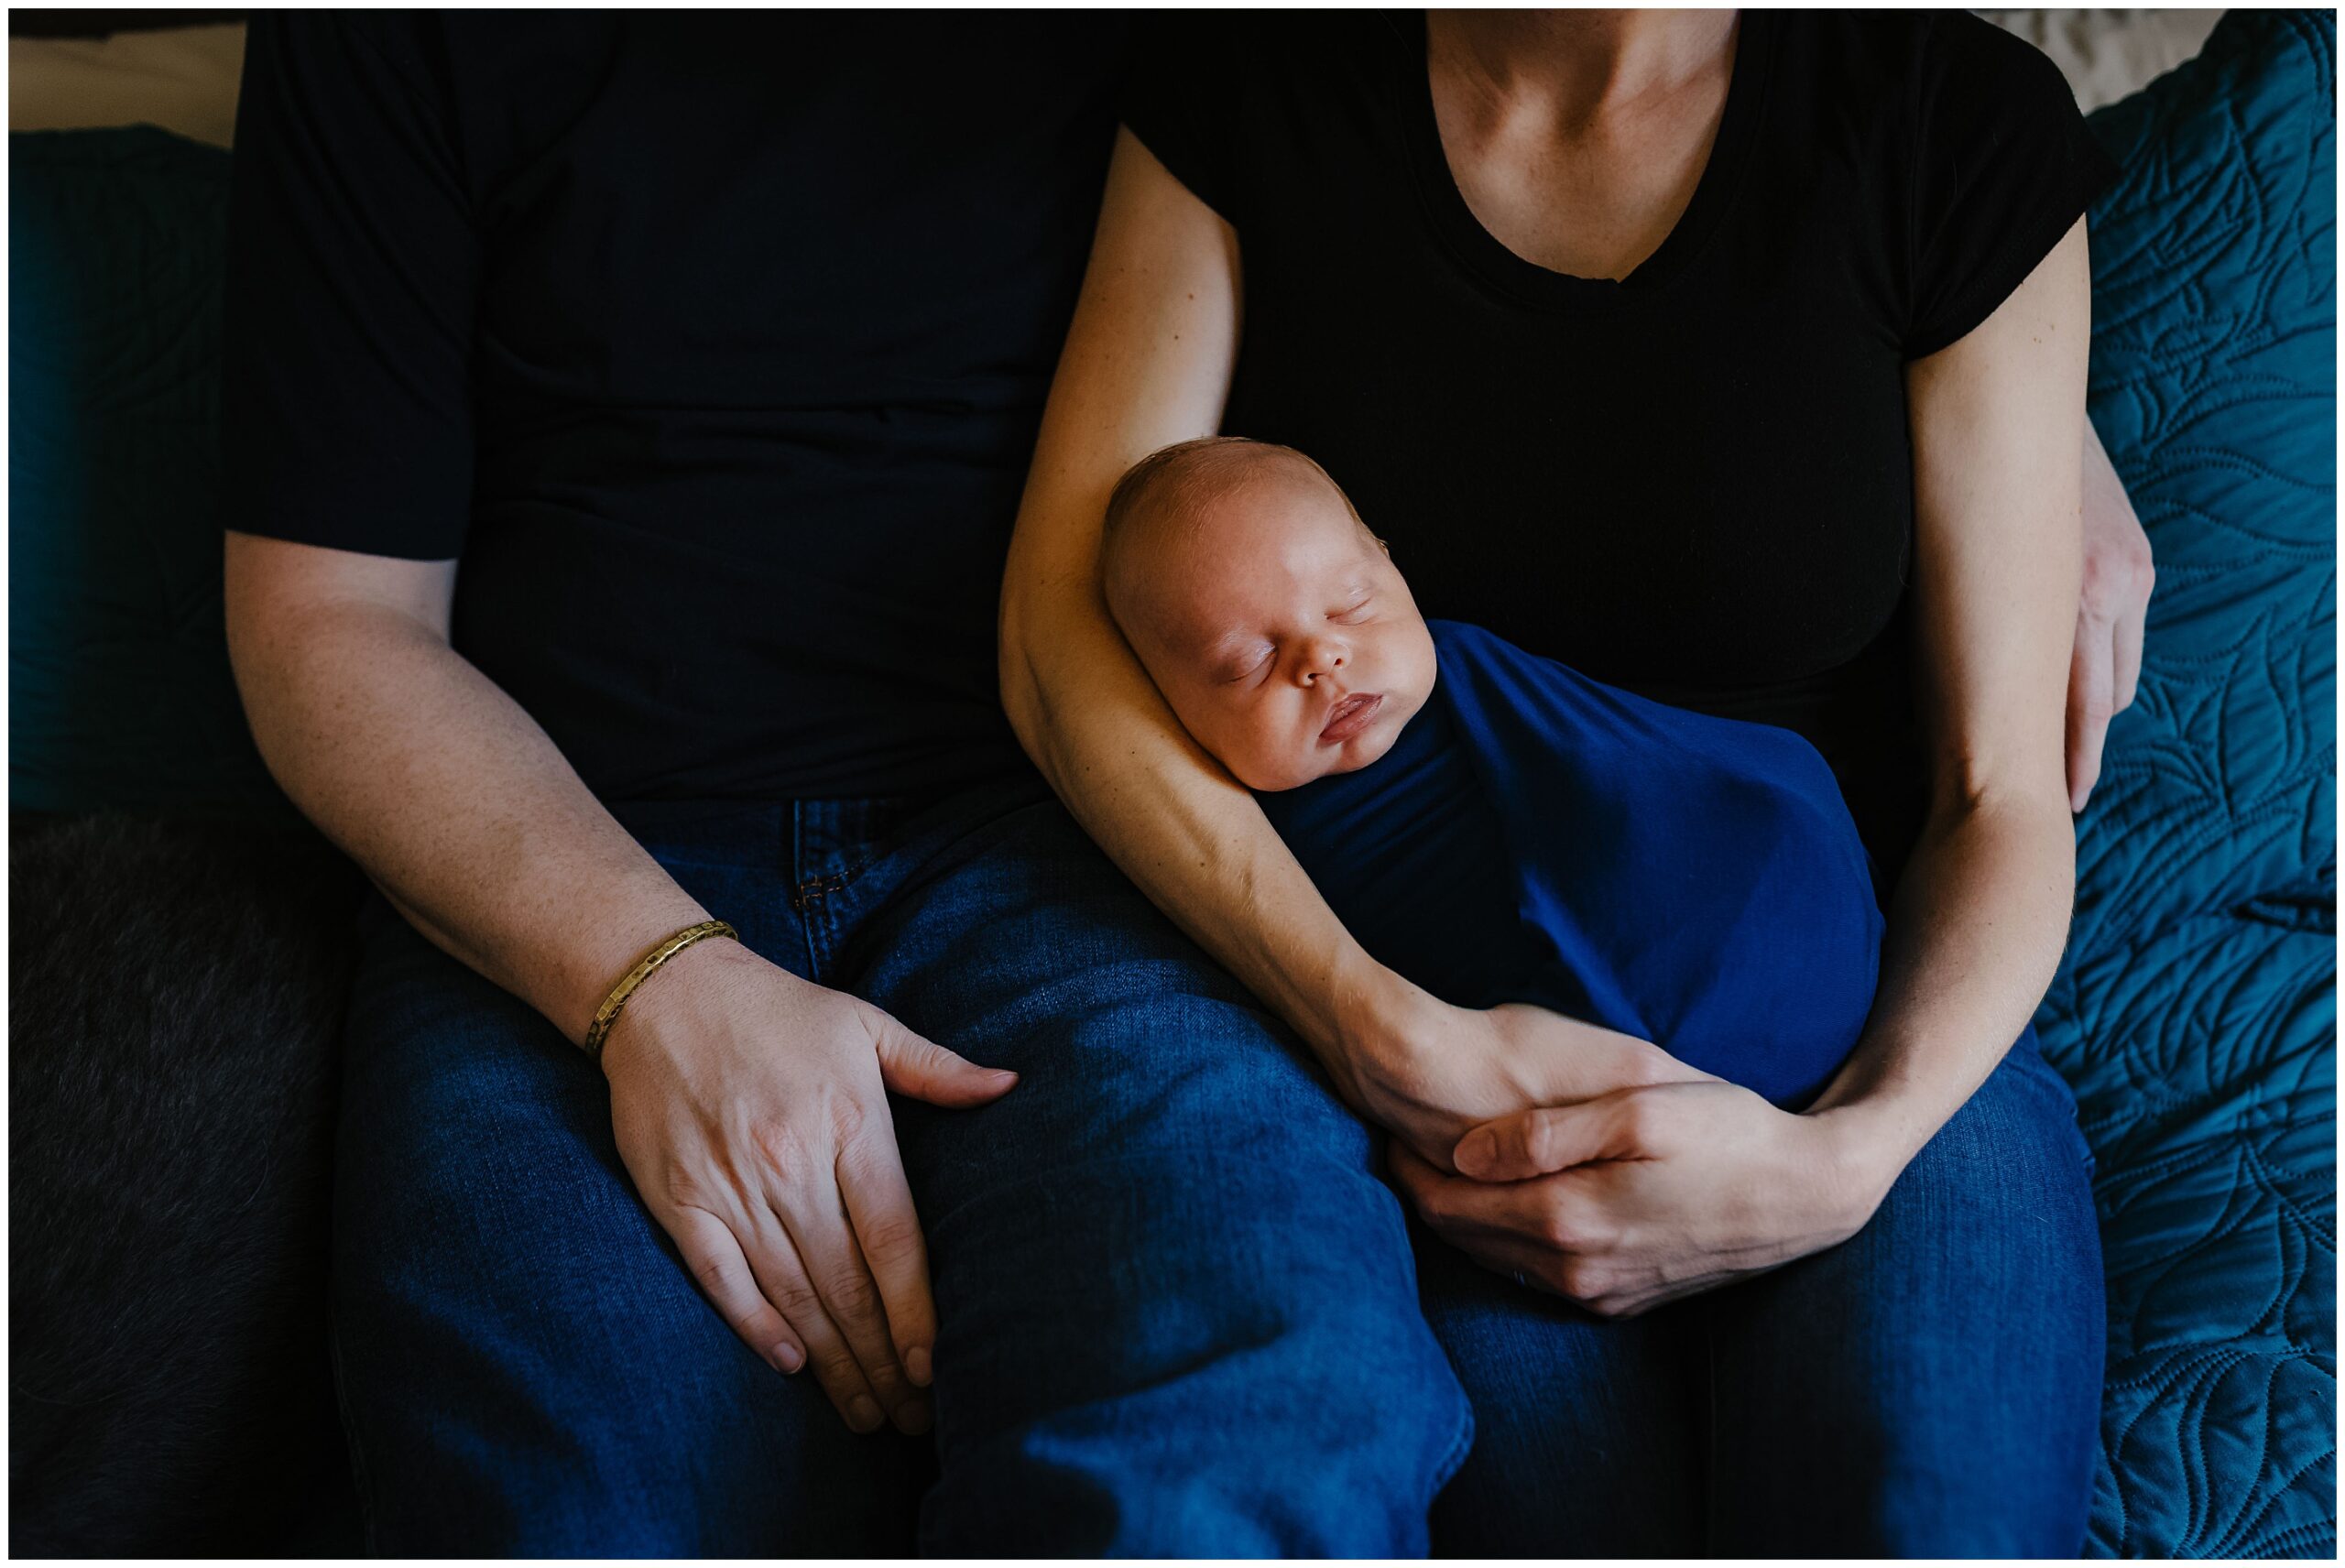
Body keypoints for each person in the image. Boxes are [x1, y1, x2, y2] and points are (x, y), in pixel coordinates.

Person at [220, 14, 1478, 1554]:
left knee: (1264, 1417)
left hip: (1066, 838)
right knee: (564, 1497)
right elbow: (324, 625)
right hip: (566, 853)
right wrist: (656, 982)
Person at [999, 8, 2153, 1554]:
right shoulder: (1260, 77)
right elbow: (1063, 637)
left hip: (1871, 1025)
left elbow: (1997, 789)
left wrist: (1848, 1153)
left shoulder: (1948, 121)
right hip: (1448, 1052)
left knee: (1923, 1508)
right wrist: (1371, 1024)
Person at [1098, 434, 1883, 1110]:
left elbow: (1629, 770)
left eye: (1351, 604)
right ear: (1164, 710)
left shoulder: (1470, 672)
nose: (1322, 658)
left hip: (1766, 912)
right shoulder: (1217, 833)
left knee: (1765, 817)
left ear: (1391, 564)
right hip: (1566, 1051)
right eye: (1249, 663)